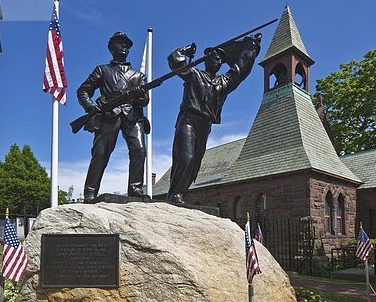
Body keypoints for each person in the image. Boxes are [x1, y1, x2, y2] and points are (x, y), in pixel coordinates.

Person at [166, 34, 262, 203]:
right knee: (186, 158)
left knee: (195, 163)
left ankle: (180, 192)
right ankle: (175, 194)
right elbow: (175, 61)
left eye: (219, 59)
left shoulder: (222, 82)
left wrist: (251, 47)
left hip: (205, 125)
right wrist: (185, 50)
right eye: (212, 58)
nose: (216, 61)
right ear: (205, 60)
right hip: (189, 120)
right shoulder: (194, 74)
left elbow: (241, 69)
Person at [77, 32, 149, 203]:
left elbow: (145, 100)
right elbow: (83, 90)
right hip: (109, 114)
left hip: (132, 115)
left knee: (139, 150)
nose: (124, 47)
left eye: (127, 45)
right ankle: (90, 191)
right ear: (111, 47)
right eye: (120, 43)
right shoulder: (102, 70)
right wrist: (90, 107)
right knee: (101, 152)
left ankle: (135, 188)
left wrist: (140, 95)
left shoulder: (138, 75)